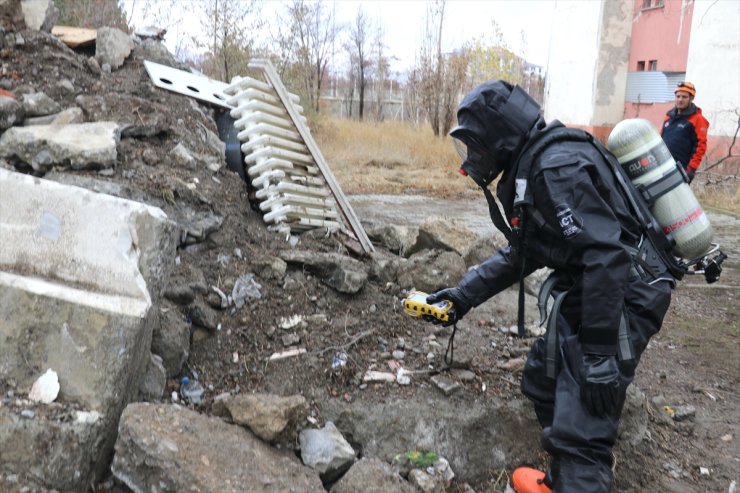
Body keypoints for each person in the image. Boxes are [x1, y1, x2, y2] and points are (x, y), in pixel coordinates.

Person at [427, 80, 676, 493]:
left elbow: (606, 256)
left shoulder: (554, 169)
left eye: (477, 146)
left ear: (501, 135)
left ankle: (578, 473)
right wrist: (461, 295)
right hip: (597, 289)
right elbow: (521, 252)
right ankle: (561, 478)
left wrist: (597, 355)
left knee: (582, 431)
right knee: (542, 380)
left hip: (623, 293)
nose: (473, 158)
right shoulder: (538, 164)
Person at [661, 81, 709, 184]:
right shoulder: (669, 116)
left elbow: (700, 146)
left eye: (684, 97)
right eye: (678, 96)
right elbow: (660, 139)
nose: (680, 100)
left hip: (681, 169)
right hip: (662, 166)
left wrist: (691, 169)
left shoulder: (698, 120)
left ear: (691, 98)